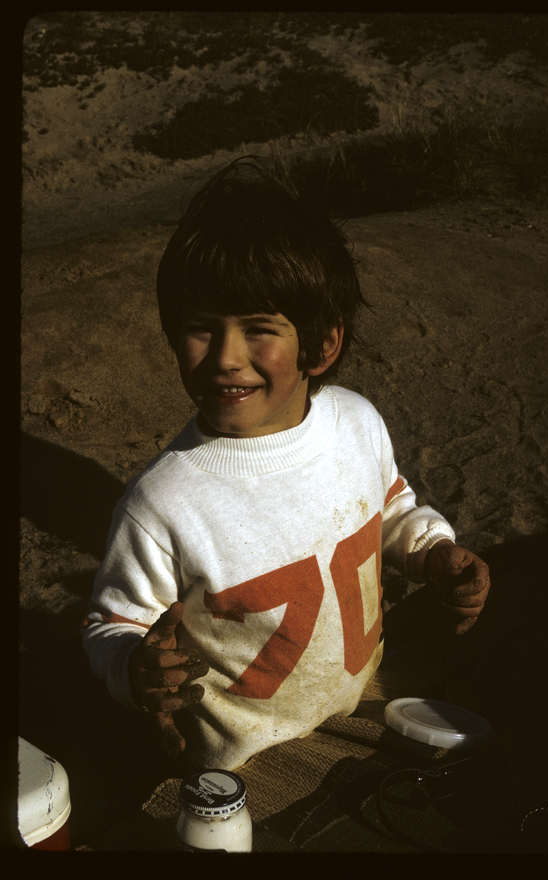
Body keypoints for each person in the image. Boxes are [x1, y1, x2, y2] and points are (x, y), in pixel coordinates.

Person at [82, 157, 490, 775]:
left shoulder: (356, 424)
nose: (226, 357)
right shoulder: (160, 504)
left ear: (323, 345)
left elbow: (390, 509)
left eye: (258, 329)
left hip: (361, 703)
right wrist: (134, 666)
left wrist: (433, 552)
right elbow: (113, 623)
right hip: (245, 765)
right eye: (200, 329)